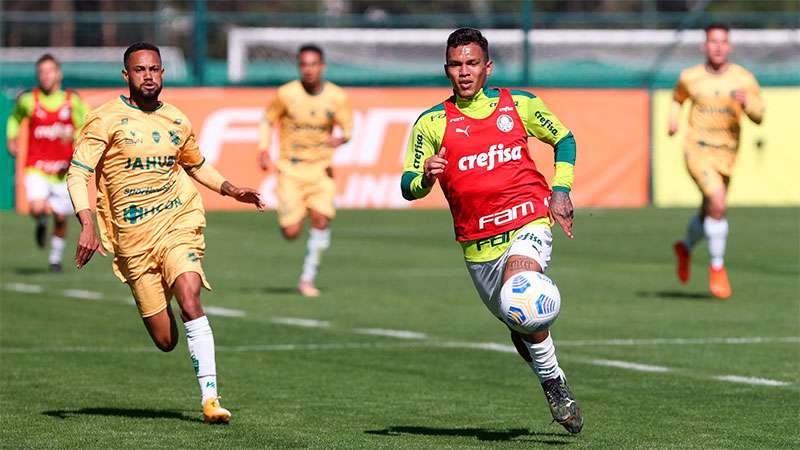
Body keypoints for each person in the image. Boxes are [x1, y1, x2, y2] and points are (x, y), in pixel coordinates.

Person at [67, 42, 265, 424]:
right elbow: (78, 173)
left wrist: (231, 189)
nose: (148, 76)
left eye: (154, 69)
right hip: (132, 239)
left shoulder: (176, 120)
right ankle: (159, 293)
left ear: (163, 73)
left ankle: (210, 399)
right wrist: (87, 222)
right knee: (166, 340)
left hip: (178, 221)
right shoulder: (105, 119)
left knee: (190, 297)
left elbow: (196, 164)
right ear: (126, 75)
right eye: (140, 70)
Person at [400, 28, 582, 433]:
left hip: (528, 219)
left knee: (521, 289)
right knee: (520, 325)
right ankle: (550, 374)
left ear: (488, 67)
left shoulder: (519, 104)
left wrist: (561, 190)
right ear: (446, 70)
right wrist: (425, 177)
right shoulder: (431, 123)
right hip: (478, 245)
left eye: (472, 63)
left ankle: (554, 387)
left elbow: (564, 139)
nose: (464, 72)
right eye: (456, 64)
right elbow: (407, 185)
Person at [669, 23, 764, 300]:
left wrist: (748, 104)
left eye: (723, 42)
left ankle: (685, 248)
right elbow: (677, 98)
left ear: (729, 46)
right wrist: (673, 121)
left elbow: (760, 115)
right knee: (719, 204)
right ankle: (717, 268)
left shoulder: (743, 79)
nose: (718, 47)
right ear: (704, 46)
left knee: (709, 211)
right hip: (697, 149)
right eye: (713, 41)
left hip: (727, 153)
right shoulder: (690, 77)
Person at [258, 44, 353, 297]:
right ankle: (292, 218)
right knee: (291, 232)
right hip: (291, 169)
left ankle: (307, 279)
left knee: (321, 219)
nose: (308, 70)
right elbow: (268, 119)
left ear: (322, 66)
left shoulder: (336, 97)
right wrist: (264, 148)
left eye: (313, 64)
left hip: (321, 170)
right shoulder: (286, 94)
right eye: (304, 65)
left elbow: (348, 128)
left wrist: (342, 138)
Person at [6, 54, 89, 272]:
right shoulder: (29, 100)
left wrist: (74, 135)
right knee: (36, 207)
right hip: (37, 166)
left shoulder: (71, 100)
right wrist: (12, 138)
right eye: (41, 72)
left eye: (50, 71)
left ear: (58, 74)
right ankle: (41, 221)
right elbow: (15, 118)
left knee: (61, 217)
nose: (45, 76)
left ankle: (55, 258)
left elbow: (87, 125)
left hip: (63, 169)